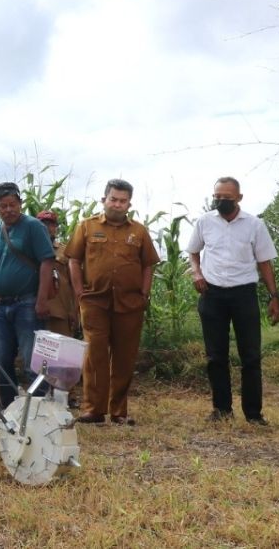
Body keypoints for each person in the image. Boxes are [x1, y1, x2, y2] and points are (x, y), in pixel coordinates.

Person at [186, 177, 279, 426]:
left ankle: (253, 414)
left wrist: (274, 297)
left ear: (239, 198)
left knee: (250, 356)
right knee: (216, 356)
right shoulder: (204, 222)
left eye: (227, 198)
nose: (221, 201)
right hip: (212, 294)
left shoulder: (254, 224)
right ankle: (221, 409)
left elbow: (264, 263)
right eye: (217, 197)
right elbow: (193, 252)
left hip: (244, 294)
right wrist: (197, 273)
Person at [66, 179, 160, 426]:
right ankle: (93, 410)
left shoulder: (138, 231)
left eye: (123, 201)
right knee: (94, 354)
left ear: (129, 203)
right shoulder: (86, 227)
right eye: (113, 199)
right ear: (104, 200)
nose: (118, 205)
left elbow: (148, 263)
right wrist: (78, 292)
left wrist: (144, 294)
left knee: (124, 356)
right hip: (94, 301)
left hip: (129, 303)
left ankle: (119, 411)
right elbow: (73, 260)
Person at [0, 182, 55, 410]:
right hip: (1, 305)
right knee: (0, 361)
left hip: (28, 303)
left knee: (32, 362)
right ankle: (10, 411)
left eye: (12, 204)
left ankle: (38, 411)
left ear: (20, 203)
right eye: (3, 206)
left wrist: (41, 300)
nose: (8, 210)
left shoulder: (33, 227)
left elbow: (46, 261)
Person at [36, 210, 80, 339]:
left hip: (60, 312)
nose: (46, 228)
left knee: (60, 355)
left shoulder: (65, 251)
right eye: (42, 224)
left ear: (56, 228)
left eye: (50, 224)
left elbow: (75, 284)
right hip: (32, 310)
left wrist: (74, 311)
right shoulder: (28, 249)